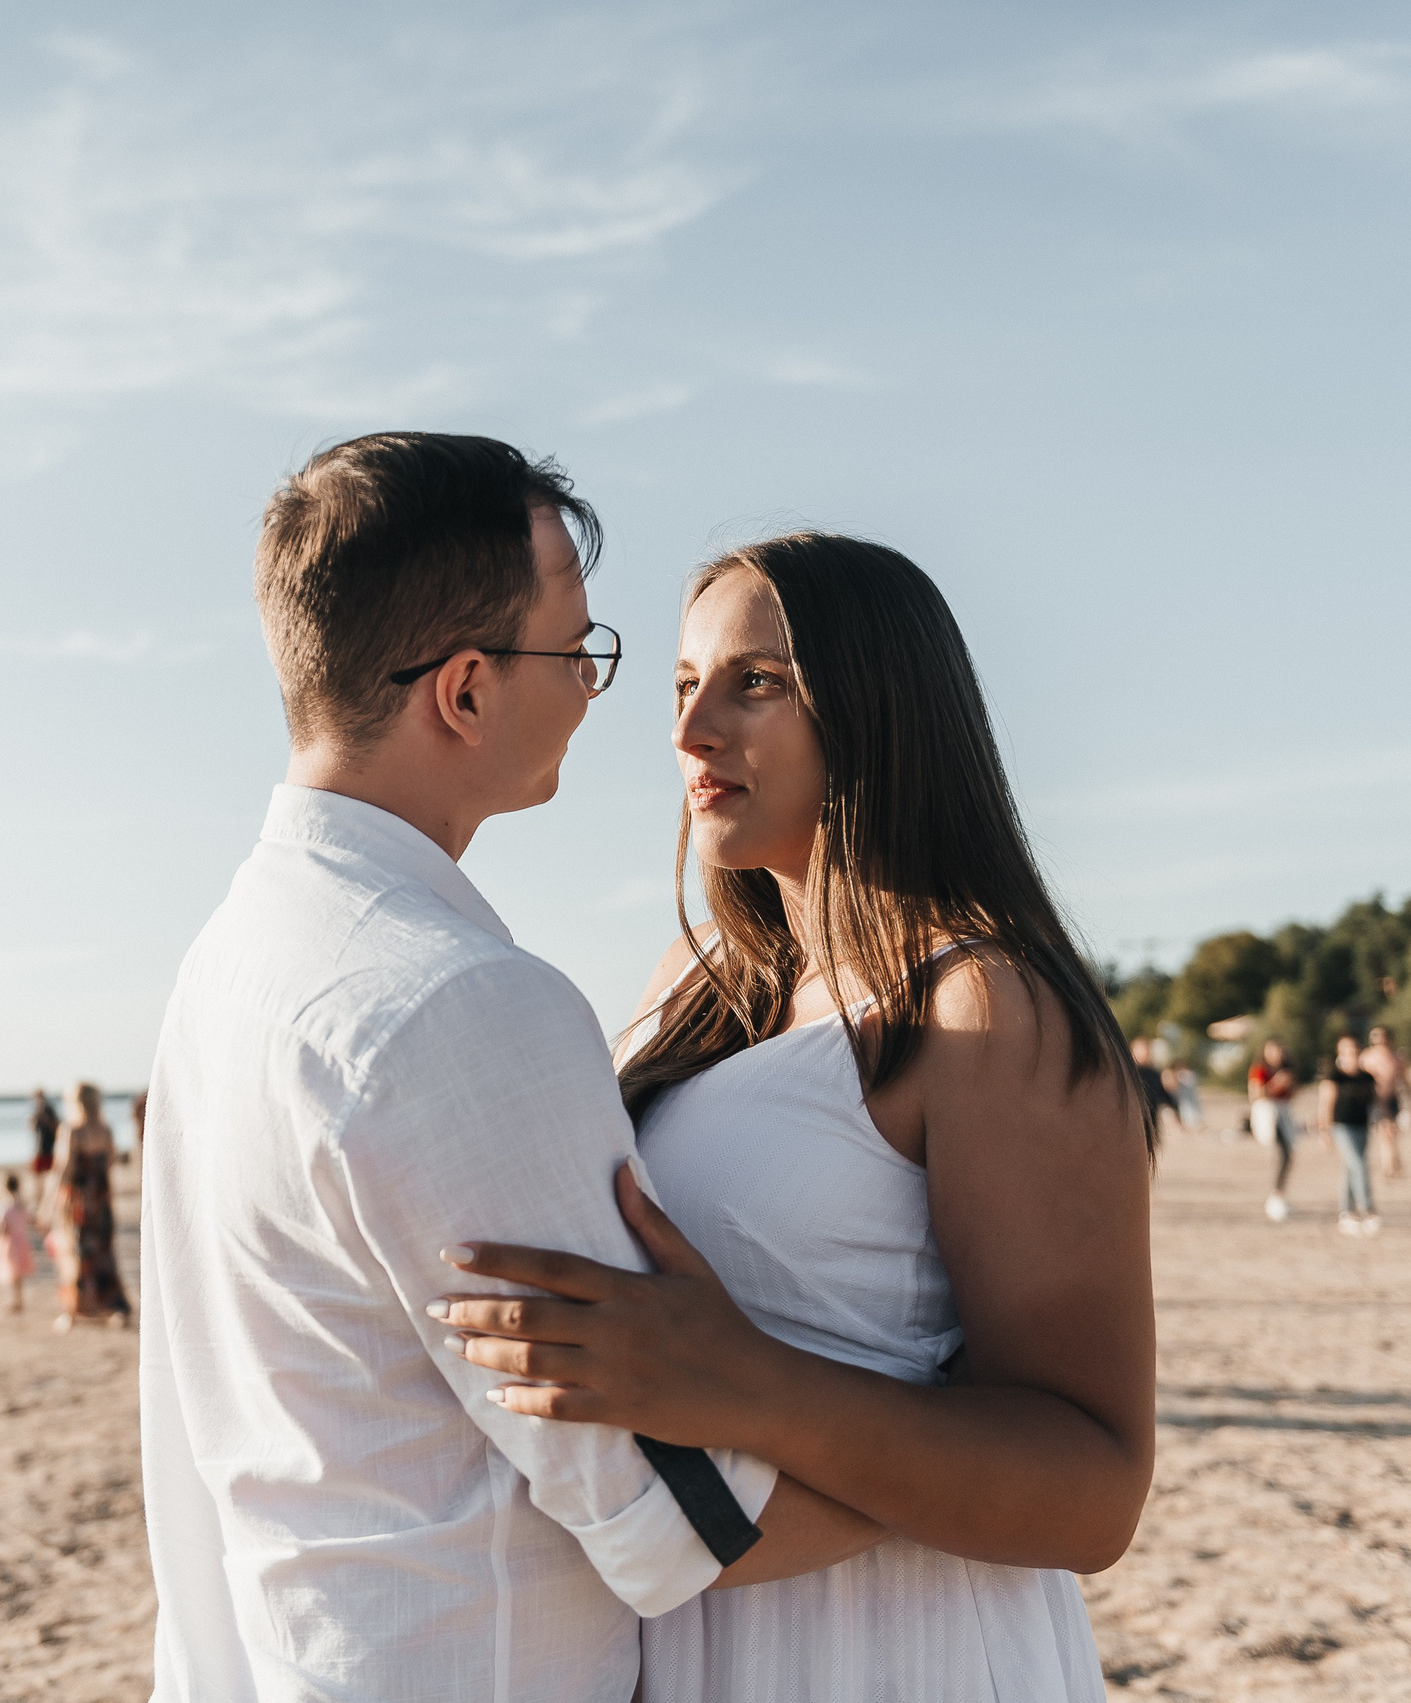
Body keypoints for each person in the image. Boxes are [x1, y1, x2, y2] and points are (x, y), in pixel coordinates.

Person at [142, 436, 866, 1703]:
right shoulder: (460, 1002)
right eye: (578, 650)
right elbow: (672, 1515)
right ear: (465, 692)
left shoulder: (228, 963)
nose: (600, 692)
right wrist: (993, 1465)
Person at [429, 531, 1152, 1700]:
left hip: (898, 1648)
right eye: (681, 685)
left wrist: (746, 1382)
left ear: (880, 708)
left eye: (756, 682)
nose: (691, 728)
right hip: (688, 1633)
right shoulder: (686, 981)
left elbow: (1095, 1487)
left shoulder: (979, 1006)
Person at [47, 1081, 131, 1332]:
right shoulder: (105, 1130)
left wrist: (48, 1205)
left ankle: (73, 1311)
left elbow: (63, 1168)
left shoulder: (72, 1130)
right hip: (102, 1203)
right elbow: (111, 1161)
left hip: (79, 1204)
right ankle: (114, 1307)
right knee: (104, 1256)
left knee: (75, 1255)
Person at [1317, 1034, 1381, 1234]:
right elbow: (1326, 1104)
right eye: (1347, 1050)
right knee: (1359, 1165)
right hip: (1341, 1126)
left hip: (1362, 1126)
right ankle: (1368, 1209)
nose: (1351, 1054)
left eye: (1354, 1050)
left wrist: (1383, 1121)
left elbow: (1374, 1103)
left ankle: (1347, 1212)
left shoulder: (1367, 1077)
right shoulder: (1334, 1076)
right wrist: (1324, 1132)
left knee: (1350, 1168)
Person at [1248, 1038, 1300, 1221]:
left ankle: (1278, 1193)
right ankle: (1275, 1196)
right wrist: (1275, 1084)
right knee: (1283, 1151)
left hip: (1284, 1115)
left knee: (1288, 1153)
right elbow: (1256, 1094)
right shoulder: (1259, 1071)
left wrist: (1288, 1084)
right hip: (1268, 1114)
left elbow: (1292, 1095)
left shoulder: (1287, 1071)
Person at [1361, 1026, 1409, 1180]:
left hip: (1392, 1099)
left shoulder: (1397, 1058)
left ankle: (1393, 1162)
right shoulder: (1366, 1058)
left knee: (1391, 1133)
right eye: (1375, 1036)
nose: (1379, 1039)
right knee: (1385, 1132)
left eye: (1381, 1036)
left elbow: (1405, 1081)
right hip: (1375, 1100)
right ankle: (1389, 1165)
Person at [0, 1172, 37, 1313]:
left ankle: (15, 1301)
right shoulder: (21, 1205)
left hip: (9, 1245)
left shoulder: (3, 1208)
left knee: (12, 1273)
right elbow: (31, 1220)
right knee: (18, 1274)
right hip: (22, 1242)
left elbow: (2, 1228)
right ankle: (18, 1300)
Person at [1130, 1036, 1177, 1141]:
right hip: (1132, 1123)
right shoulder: (1127, 1074)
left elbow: (1163, 1096)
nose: (1144, 1054)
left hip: (1151, 1123)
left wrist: (1175, 1110)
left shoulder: (1154, 1074)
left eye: (1146, 1050)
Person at [27, 1088, 58, 1179]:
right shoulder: (36, 1111)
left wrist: (46, 1120)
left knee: (50, 1173)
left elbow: (57, 1127)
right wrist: (34, 1122)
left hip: (49, 1148)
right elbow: (32, 1129)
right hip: (38, 1147)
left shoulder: (49, 1110)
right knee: (36, 1174)